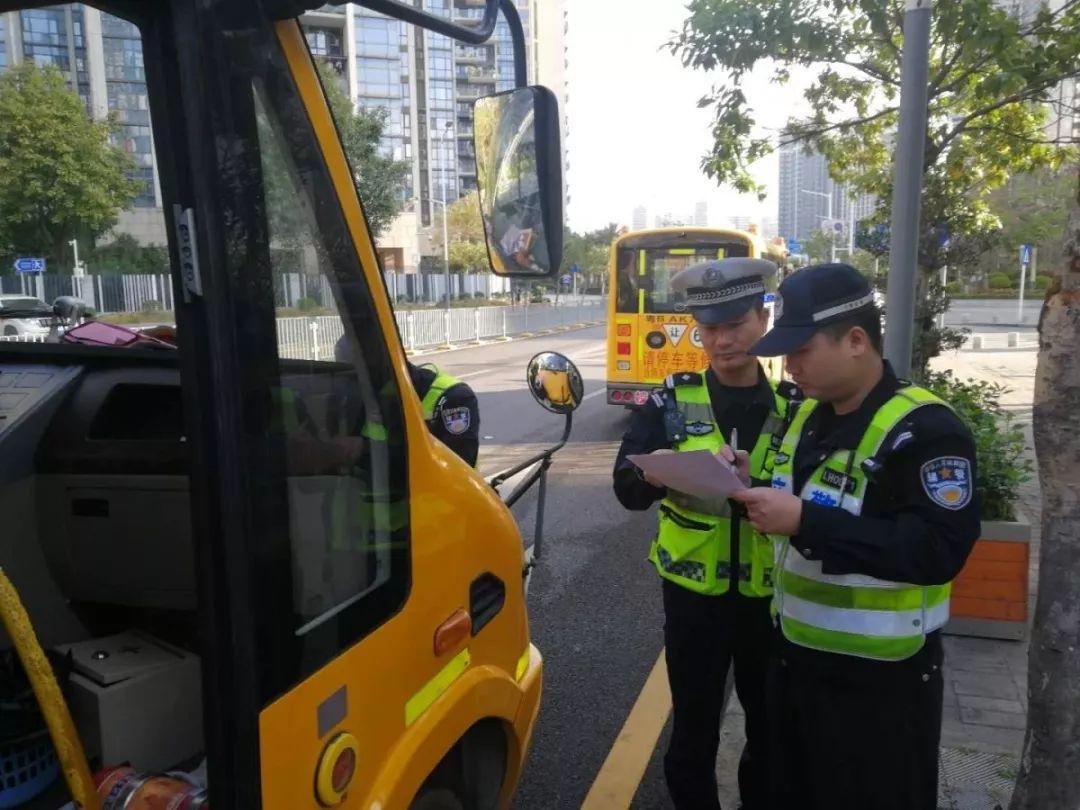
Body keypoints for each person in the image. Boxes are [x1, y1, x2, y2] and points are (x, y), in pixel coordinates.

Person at [730, 263, 980, 810]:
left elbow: (939, 549)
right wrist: (744, 480)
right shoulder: (804, 417)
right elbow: (796, 494)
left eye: (801, 349)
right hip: (795, 664)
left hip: (881, 688)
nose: (788, 365)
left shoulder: (925, 430)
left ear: (857, 341)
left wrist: (805, 523)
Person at [612, 257, 796, 810]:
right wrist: (662, 466)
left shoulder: (795, 407)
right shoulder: (670, 398)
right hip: (694, 599)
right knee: (693, 733)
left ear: (762, 319)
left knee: (769, 734)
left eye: (734, 324)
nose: (720, 340)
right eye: (708, 328)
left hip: (770, 602)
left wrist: (755, 484)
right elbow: (626, 487)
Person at [334, 334, 480, 467]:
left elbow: (456, 465)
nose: (351, 382)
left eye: (356, 373)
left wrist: (363, 450)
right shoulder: (357, 397)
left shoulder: (452, 398)